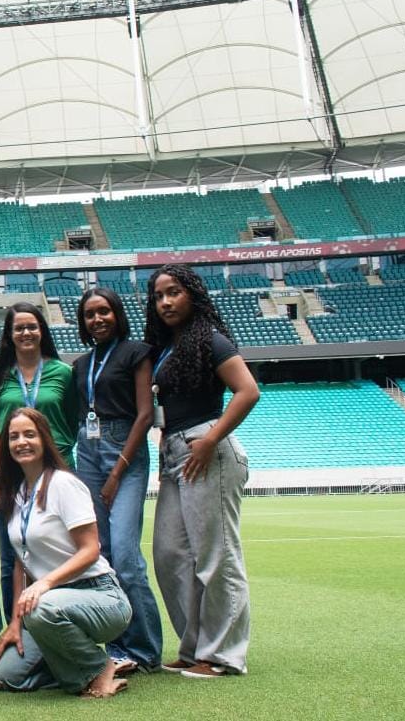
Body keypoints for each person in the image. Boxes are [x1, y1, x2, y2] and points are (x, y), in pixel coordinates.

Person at [146, 264, 260, 679]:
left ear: (192, 294)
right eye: (158, 296)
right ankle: (195, 648)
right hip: (174, 454)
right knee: (170, 555)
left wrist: (211, 440)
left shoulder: (210, 340)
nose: (165, 302)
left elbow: (248, 391)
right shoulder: (166, 347)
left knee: (217, 555)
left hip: (207, 448)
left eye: (173, 292)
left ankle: (225, 655)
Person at [0, 407, 133, 697]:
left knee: (41, 609)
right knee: (1, 676)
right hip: (49, 605)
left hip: (99, 595)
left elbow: (90, 550)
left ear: (45, 440)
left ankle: (100, 665)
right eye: (14, 436)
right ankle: (71, 668)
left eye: (30, 434)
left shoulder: (64, 484)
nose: (21, 442)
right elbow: (20, 564)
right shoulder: (16, 493)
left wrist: (45, 583)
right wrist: (15, 623)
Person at [70, 287, 162, 674]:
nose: (97, 320)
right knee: (101, 555)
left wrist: (117, 471)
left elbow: (144, 415)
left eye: (104, 312)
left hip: (125, 448)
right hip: (87, 451)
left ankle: (146, 650)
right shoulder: (81, 364)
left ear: (117, 314)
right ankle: (117, 645)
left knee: (125, 554)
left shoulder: (136, 352)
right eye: (90, 314)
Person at [0, 302, 81, 613]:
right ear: (9, 335)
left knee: (61, 551)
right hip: (10, 477)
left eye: (32, 326)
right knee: (11, 557)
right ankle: (17, 631)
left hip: (57, 473)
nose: (26, 332)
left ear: (42, 331)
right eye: (19, 328)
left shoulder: (64, 372)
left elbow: (71, 420)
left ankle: (63, 621)